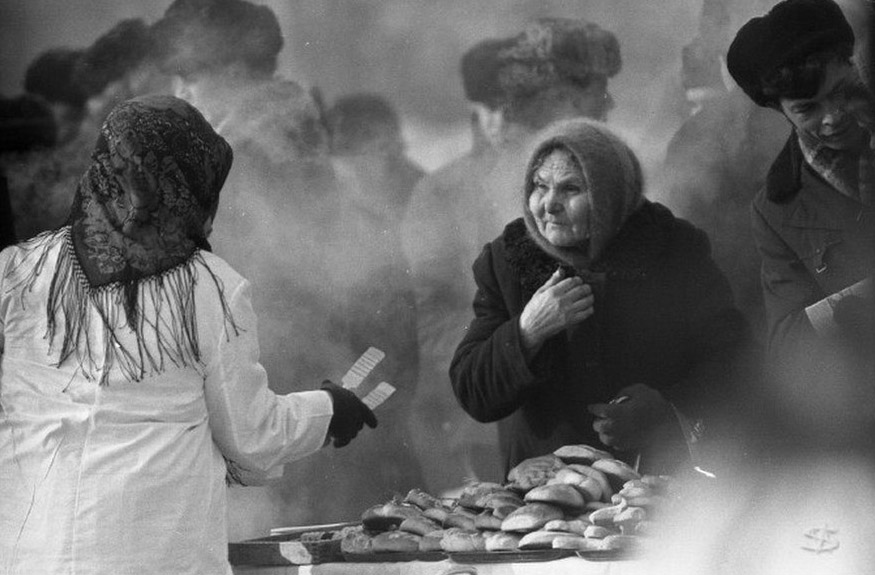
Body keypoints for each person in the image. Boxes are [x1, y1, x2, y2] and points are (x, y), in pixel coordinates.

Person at [0, 95, 377, 574]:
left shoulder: (16, 271)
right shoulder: (210, 287)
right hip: (151, 557)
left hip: (30, 554)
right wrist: (330, 410)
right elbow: (252, 436)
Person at [449, 118, 751, 476]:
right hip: (545, 487)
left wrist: (667, 410)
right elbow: (473, 393)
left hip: (658, 479)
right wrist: (527, 331)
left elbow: (732, 359)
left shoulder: (672, 249)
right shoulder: (509, 261)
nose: (549, 205)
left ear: (610, 194)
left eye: (571, 189)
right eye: (539, 186)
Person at [402, 17, 622, 492]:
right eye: (594, 89)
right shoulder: (445, 193)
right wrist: (510, 349)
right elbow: (435, 316)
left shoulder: (614, 182)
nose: (609, 104)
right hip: (496, 424)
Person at [727, 0, 875, 448]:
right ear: (781, 110)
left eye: (842, 91)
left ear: (855, 66)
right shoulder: (776, 209)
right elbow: (789, 341)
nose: (833, 117)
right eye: (807, 108)